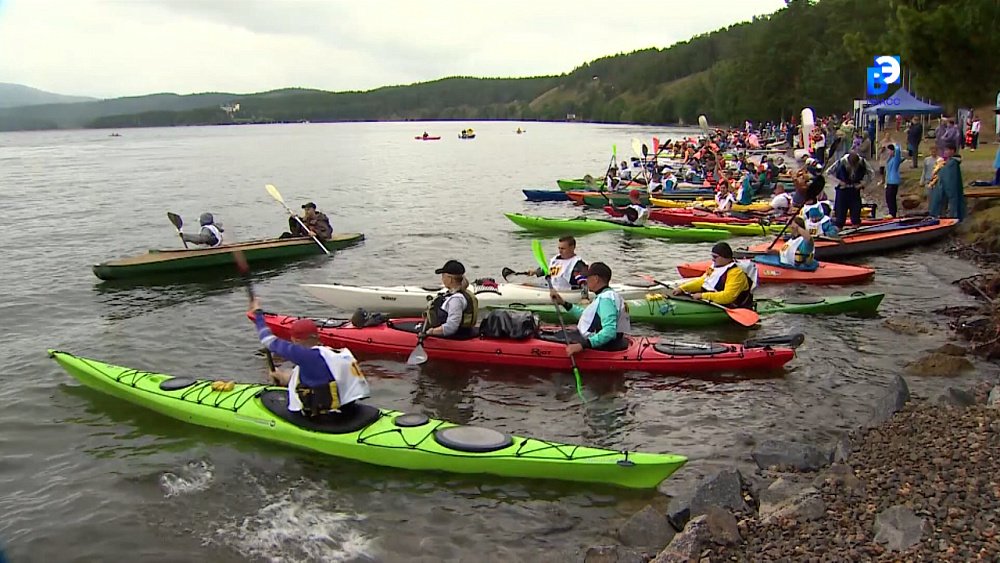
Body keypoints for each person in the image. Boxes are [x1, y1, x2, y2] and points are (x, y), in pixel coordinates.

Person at [250, 298, 371, 419]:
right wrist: (282, 377)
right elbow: (321, 375)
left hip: (326, 416)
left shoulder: (305, 355)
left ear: (294, 340)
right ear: (317, 337)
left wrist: (258, 313)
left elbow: (267, 340)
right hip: (347, 407)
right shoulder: (335, 353)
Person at [548, 262, 630, 355]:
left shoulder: (606, 299)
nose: (586, 281)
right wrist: (563, 303)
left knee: (552, 337)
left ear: (596, 279)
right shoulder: (608, 295)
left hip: (604, 346)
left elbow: (609, 332)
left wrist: (582, 345)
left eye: (587, 277)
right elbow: (587, 316)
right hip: (609, 342)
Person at [673, 242, 755, 308]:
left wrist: (702, 296)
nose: (713, 259)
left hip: (730, 305)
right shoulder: (713, 267)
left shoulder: (736, 274)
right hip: (711, 299)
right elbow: (703, 281)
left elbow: (727, 297)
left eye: (715, 257)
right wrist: (683, 288)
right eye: (712, 256)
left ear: (725, 257)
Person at [422, 259, 478, 338]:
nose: (442, 279)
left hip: (454, 337)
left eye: (443, 276)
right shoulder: (453, 294)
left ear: (450, 279)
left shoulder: (456, 300)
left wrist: (431, 332)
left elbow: (451, 327)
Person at [831, 151, 873, 228]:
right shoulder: (841, 162)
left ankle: (856, 229)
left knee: (856, 214)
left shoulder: (862, 162)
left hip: (855, 191)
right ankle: (839, 230)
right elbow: (828, 173)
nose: (853, 167)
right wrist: (839, 182)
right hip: (842, 191)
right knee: (840, 216)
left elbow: (871, 174)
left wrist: (863, 184)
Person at [930, 142, 966, 220]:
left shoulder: (953, 163)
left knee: (953, 201)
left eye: (947, 150)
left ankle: (954, 216)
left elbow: (950, 178)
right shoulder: (946, 162)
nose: (945, 152)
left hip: (950, 188)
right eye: (944, 150)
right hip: (943, 187)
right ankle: (943, 216)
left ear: (952, 151)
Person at [884, 143, 902, 218]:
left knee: (891, 197)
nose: (888, 152)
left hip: (894, 181)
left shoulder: (896, 159)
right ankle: (891, 212)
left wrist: (895, 146)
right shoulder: (890, 159)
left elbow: (898, 151)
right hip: (889, 181)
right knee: (888, 197)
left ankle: (893, 213)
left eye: (889, 151)